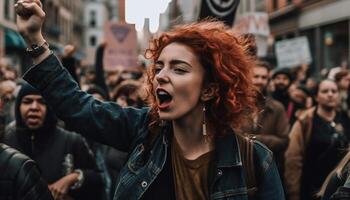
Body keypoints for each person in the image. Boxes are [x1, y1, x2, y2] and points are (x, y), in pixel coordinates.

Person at [14, 1, 285, 199]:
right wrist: (35, 39)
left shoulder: (255, 162)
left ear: (210, 90)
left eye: (178, 69)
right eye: (159, 67)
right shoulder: (144, 131)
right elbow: (77, 106)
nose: (160, 77)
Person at [2, 82, 104, 200]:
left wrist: (74, 177)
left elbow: (97, 179)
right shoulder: (5, 140)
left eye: (42, 102)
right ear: (18, 106)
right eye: (27, 101)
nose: (34, 107)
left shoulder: (71, 141)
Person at [284, 79, 350, 200]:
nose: (330, 94)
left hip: (339, 187)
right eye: (325, 91)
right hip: (311, 187)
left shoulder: (345, 118)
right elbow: (293, 159)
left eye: (334, 91)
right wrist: (293, 193)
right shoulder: (305, 120)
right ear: (316, 96)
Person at [241, 60, 290, 177]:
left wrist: (252, 139)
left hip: (268, 170)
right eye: (256, 76)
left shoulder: (277, 108)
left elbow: (283, 141)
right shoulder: (236, 105)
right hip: (241, 169)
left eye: (264, 77)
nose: (260, 81)